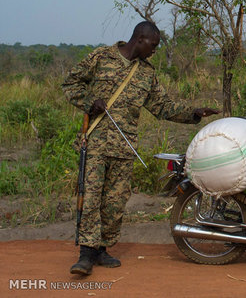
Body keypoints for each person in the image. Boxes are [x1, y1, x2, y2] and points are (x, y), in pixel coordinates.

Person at [62, 21, 220, 276]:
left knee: (115, 201)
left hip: (125, 147)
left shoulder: (146, 74)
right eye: (154, 45)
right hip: (95, 143)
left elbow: (162, 106)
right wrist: (91, 102)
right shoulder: (102, 57)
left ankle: (102, 247)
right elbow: (71, 84)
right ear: (140, 39)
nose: (155, 50)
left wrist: (194, 113)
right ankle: (86, 254)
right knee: (90, 198)